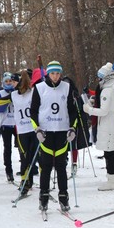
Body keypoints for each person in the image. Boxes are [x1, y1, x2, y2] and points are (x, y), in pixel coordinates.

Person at [30, 61, 79, 212]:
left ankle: (63, 197)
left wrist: (72, 128)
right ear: (48, 74)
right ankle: (43, 197)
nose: (56, 76)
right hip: (45, 132)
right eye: (52, 73)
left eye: (58, 73)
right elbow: (32, 111)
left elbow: (73, 111)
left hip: (62, 131)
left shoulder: (67, 87)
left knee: (61, 166)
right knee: (45, 166)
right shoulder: (39, 88)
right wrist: (37, 129)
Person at [83, 62, 114, 190]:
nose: (99, 80)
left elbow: (103, 111)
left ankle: (112, 181)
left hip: (108, 123)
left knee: (109, 152)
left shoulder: (107, 90)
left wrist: (89, 109)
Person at [0, 72, 18, 183]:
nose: (9, 83)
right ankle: (8, 171)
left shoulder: (16, 92)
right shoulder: (0, 93)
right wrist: (8, 99)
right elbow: (0, 109)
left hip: (17, 123)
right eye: (6, 81)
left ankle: (25, 169)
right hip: (6, 123)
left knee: (21, 146)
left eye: (10, 81)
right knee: (8, 147)